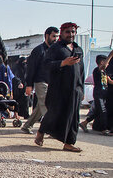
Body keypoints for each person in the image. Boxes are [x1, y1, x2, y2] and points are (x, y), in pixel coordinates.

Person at [34, 22, 84, 152]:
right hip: (59, 89)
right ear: (62, 33)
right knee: (54, 114)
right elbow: (46, 65)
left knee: (73, 117)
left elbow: (82, 71)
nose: (71, 34)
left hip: (75, 89)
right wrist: (63, 63)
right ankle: (41, 131)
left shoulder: (78, 49)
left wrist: (81, 88)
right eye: (68, 32)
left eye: (73, 32)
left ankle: (69, 143)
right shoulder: (55, 49)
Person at [21, 27, 59, 134]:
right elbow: (31, 68)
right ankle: (52, 129)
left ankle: (27, 126)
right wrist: (29, 85)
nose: (55, 39)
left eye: (57, 36)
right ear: (46, 36)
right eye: (53, 36)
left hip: (51, 82)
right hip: (40, 82)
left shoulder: (54, 51)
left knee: (39, 107)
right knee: (46, 106)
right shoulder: (38, 50)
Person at [79, 51, 113, 134]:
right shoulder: (98, 70)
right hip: (99, 94)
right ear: (102, 62)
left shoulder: (104, 72)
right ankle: (104, 129)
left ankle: (84, 123)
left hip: (104, 94)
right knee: (103, 111)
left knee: (98, 111)